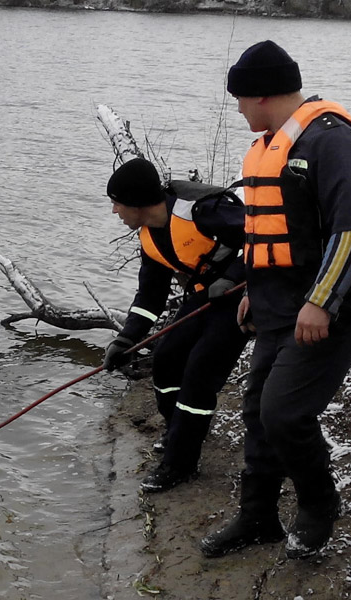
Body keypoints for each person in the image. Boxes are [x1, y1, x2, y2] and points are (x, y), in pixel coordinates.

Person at [199, 40, 351, 560]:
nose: (236, 108)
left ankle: (319, 506)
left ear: (259, 96)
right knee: (257, 409)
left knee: (284, 413)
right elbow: (272, 234)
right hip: (277, 301)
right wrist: (254, 292)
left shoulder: (331, 141)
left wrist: (322, 302)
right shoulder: (275, 142)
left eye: (238, 98)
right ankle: (258, 516)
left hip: (334, 303)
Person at [103, 157, 249, 493]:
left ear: (138, 203)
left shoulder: (203, 211)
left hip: (242, 295)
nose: (115, 212)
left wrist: (232, 277)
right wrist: (125, 341)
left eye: (117, 204)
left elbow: (261, 238)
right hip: (204, 297)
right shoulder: (149, 238)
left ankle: (179, 464)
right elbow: (150, 297)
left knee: (199, 373)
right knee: (167, 360)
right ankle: (179, 429)